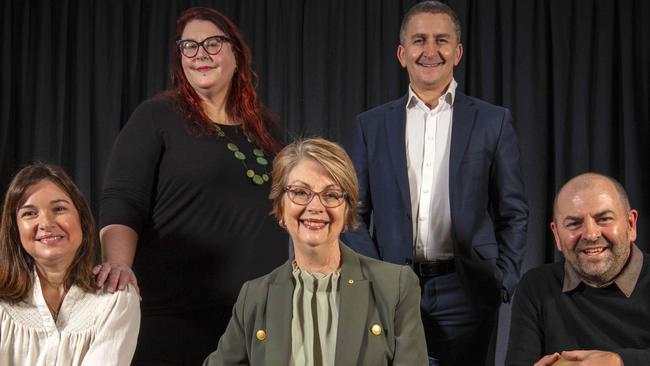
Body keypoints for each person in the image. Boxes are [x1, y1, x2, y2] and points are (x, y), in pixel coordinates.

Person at [95, 6, 288, 365]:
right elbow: (122, 198)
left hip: (257, 320)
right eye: (189, 46)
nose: (200, 53)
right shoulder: (157, 117)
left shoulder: (266, 128)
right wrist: (119, 265)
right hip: (177, 318)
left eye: (213, 43)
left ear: (236, 55)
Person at [341, 1, 528, 365]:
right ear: (402, 53)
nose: (430, 51)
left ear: (457, 52)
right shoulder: (371, 125)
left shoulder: (493, 121)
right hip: (392, 286)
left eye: (441, 40)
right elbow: (352, 210)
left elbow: (513, 211)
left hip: (469, 289)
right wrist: (376, 279)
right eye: (419, 40)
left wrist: (503, 279)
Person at [203, 138, 428, 366]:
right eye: (300, 192)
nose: (315, 207)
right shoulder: (254, 297)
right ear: (281, 207)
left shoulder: (396, 287)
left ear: (348, 209)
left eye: (331, 195)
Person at [0, 163, 140, 366]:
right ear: (15, 230)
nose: (46, 223)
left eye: (59, 209)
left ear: (82, 220)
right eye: (29, 213)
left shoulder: (116, 298)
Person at [506, 173, 650, 366]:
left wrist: (620, 362)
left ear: (631, 225)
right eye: (574, 223)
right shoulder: (536, 287)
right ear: (557, 235)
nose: (590, 234)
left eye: (604, 219)